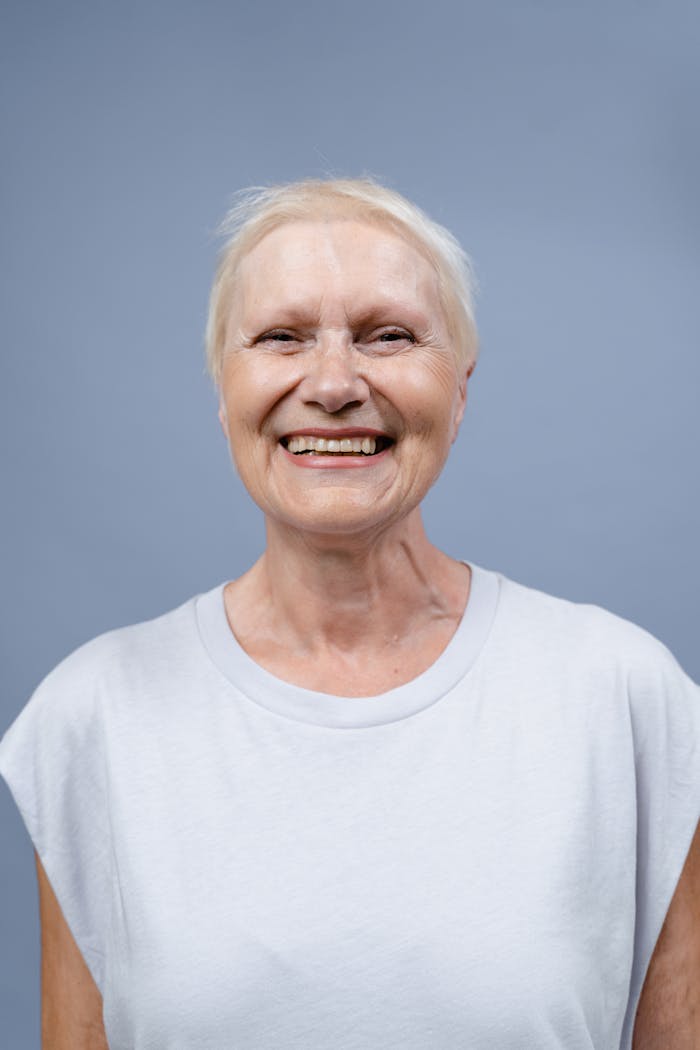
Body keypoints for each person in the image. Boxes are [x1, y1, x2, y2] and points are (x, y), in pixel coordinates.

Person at [0, 177, 698, 1050]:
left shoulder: (624, 697)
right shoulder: (94, 715)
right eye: (281, 337)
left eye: (388, 336)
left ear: (460, 388)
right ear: (224, 387)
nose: (333, 384)